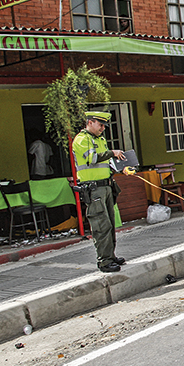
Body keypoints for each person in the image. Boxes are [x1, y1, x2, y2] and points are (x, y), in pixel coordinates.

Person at [72, 111, 127, 273]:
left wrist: (120, 166)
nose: (103, 128)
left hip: (106, 186)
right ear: (90, 122)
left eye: (104, 125)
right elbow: (93, 158)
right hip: (94, 188)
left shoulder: (100, 140)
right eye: (100, 125)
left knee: (110, 223)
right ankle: (104, 261)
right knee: (101, 225)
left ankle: (110, 255)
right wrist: (112, 153)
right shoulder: (82, 139)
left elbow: (107, 161)